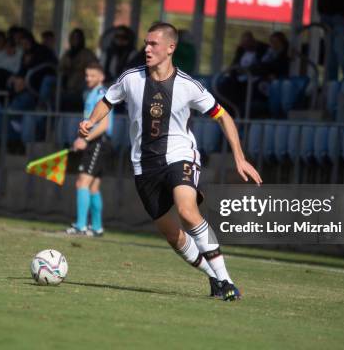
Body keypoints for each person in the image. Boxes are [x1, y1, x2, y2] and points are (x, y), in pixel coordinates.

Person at [79, 22, 263, 301]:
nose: (147, 48)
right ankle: (214, 278)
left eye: (153, 44)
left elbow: (223, 116)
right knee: (173, 235)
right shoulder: (131, 78)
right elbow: (108, 100)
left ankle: (226, 280)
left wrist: (239, 156)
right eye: (146, 43)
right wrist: (90, 122)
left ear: (170, 48)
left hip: (180, 155)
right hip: (143, 164)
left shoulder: (188, 86)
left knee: (188, 211)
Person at [66, 62, 113, 237]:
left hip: (98, 142)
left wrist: (85, 139)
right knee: (93, 187)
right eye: (86, 75)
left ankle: (80, 226)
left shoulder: (102, 93)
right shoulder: (91, 93)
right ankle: (97, 227)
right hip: (98, 143)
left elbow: (104, 125)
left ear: (101, 77)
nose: (88, 79)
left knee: (82, 182)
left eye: (92, 75)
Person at [59, 28, 98, 111]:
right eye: (73, 38)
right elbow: (60, 68)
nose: (75, 41)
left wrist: (79, 68)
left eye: (77, 38)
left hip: (82, 87)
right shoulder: (67, 54)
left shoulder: (87, 53)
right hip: (66, 87)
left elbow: (94, 69)